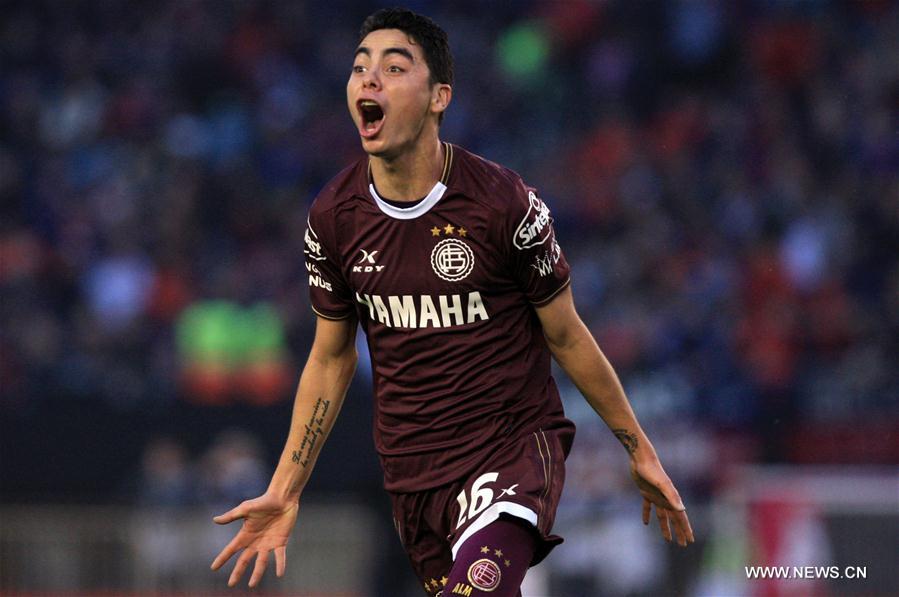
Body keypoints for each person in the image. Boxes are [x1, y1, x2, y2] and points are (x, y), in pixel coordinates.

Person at [210, 8, 694, 596]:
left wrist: (638, 449)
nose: (369, 80)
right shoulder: (333, 219)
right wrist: (286, 488)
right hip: (415, 477)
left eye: (393, 68)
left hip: (512, 450)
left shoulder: (503, 204)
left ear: (440, 96)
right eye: (360, 68)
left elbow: (565, 334)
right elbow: (331, 358)